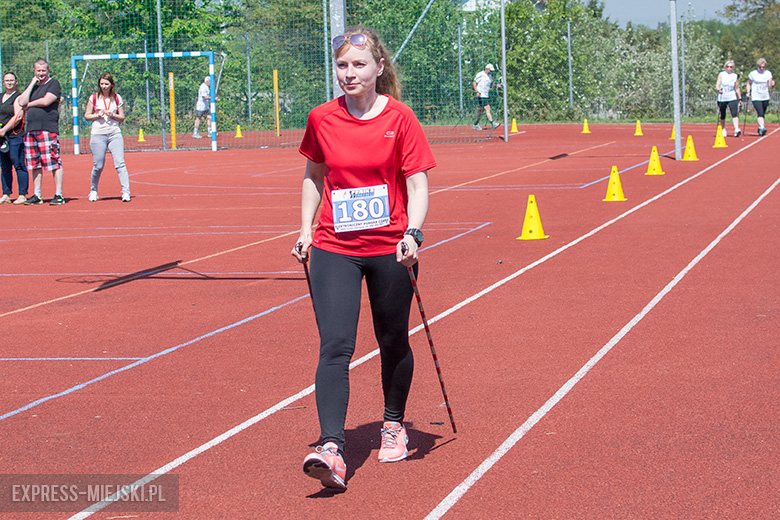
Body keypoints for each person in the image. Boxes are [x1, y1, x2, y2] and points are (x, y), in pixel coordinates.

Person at [291, 25, 435, 491]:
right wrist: (305, 230)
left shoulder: (401, 118)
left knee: (392, 339)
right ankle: (331, 447)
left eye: (358, 65)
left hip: (391, 247)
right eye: (341, 66)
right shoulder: (321, 118)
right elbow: (314, 175)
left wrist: (414, 233)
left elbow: (417, 184)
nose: (348, 74)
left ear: (378, 68)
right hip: (335, 246)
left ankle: (394, 422)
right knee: (335, 345)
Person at [17, 59, 65, 205]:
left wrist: (28, 105)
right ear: (34, 71)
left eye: (43, 70)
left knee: (53, 161)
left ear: (48, 70)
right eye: (38, 70)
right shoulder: (33, 86)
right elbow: (21, 101)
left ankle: (58, 194)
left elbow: (45, 101)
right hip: (31, 130)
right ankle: (37, 194)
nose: (41, 73)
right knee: (34, 163)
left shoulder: (53, 83)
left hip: (47, 129)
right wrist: (32, 84)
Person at [84, 73, 131, 202]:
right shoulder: (93, 98)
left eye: (106, 84)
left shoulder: (116, 98)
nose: (104, 86)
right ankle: (93, 190)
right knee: (98, 165)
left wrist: (112, 114)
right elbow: (87, 115)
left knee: (120, 163)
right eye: (102, 84)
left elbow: (122, 117)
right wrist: (97, 115)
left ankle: (126, 191)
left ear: (111, 85)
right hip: (98, 134)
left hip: (114, 133)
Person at [0, 72, 29, 205]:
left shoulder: (19, 97)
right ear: (3, 82)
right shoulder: (1, 97)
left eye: (12, 80)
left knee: (18, 164)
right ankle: (6, 194)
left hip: (14, 136)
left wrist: (4, 129)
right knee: (4, 166)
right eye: (7, 80)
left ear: (16, 82)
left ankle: (22, 194)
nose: (9, 83)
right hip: (2, 138)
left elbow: (18, 116)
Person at [747, 58, 775, 136]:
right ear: (757, 66)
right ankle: (762, 127)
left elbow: (770, 83)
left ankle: (760, 127)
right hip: (756, 96)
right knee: (760, 112)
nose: (762, 69)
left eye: (763, 67)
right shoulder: (753, 74)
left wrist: (772, 84)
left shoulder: (768, 73)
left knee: (763, 112)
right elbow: (749, 83)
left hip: (765, 96)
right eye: (760, 67)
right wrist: (748, 92)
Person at [716, 59, 742, 138]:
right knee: (722, 113)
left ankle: (736, 129)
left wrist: (740, 98)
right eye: (727, 66)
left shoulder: (734, 76)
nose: (729, 68)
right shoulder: (722, 74)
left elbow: (737, 88)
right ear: (725, 67)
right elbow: (717, 85)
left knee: (734, 113)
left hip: (732, 96)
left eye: (731, 67)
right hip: (723, 96)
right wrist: (718, 90)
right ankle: (723, 129)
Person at [472, 63, 499, 131]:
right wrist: (477, 91)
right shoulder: (481, 74)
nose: (491, 72)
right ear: (487, 69)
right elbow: (474, 82)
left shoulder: (489, 76)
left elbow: (490, 83)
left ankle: (476, 124)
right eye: (490, 70)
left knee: (481, 110)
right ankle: (492, 123)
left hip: (486, 95)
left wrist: (496, 85)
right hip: (481, 95)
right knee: (487, 108)